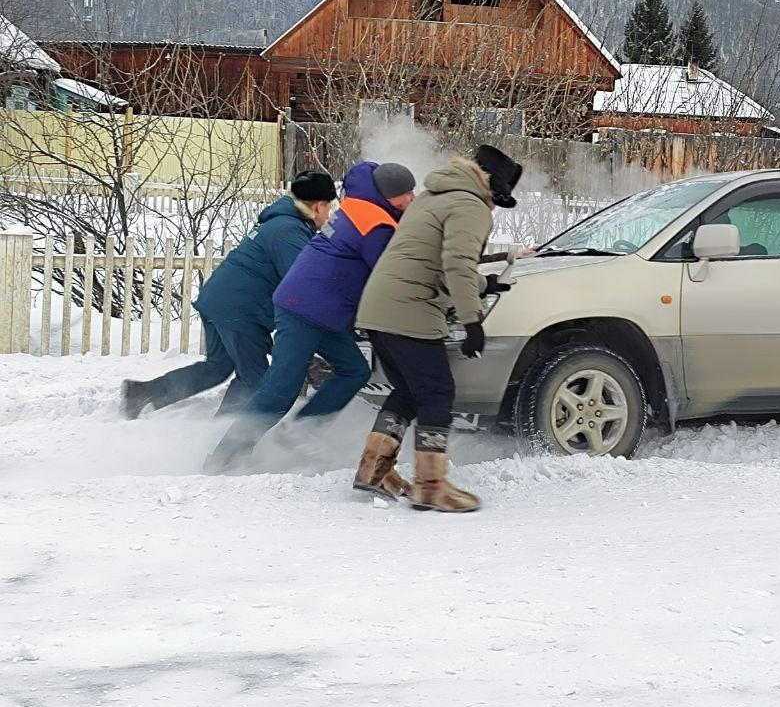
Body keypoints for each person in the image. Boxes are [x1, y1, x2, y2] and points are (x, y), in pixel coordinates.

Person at [202, 160, 417, 472]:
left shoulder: (362, 211)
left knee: (354, 370)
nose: (412, 198)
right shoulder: (374, 224)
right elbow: (388, 275)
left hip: (325, 310)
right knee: (280, 390)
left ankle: (301, 429)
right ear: (386, 195)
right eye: (405, 193)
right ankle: (225, 457)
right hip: (303, 309)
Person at [352, 145, 522, 512]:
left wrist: (484, 284)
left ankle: (373, 470)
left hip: (379, 307)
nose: (494, 208)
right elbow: (456, 265)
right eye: (498, 199)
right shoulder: (471, 206)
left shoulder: (434, 196)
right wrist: (472, 319)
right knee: (437, 392)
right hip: (409, 310)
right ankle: (431, 486)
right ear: (491, 189)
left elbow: (432, 259)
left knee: (410, 392)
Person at [120, 171, 337, 420]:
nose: (329, 214)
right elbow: (303, 286)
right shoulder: (289, 231)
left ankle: (142, 393)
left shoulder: (282, 224)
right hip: (240, 310)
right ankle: (224, 436)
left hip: (220, 301)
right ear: (319, 205)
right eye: (329, 206)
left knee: (217, 367)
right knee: (255, 379)